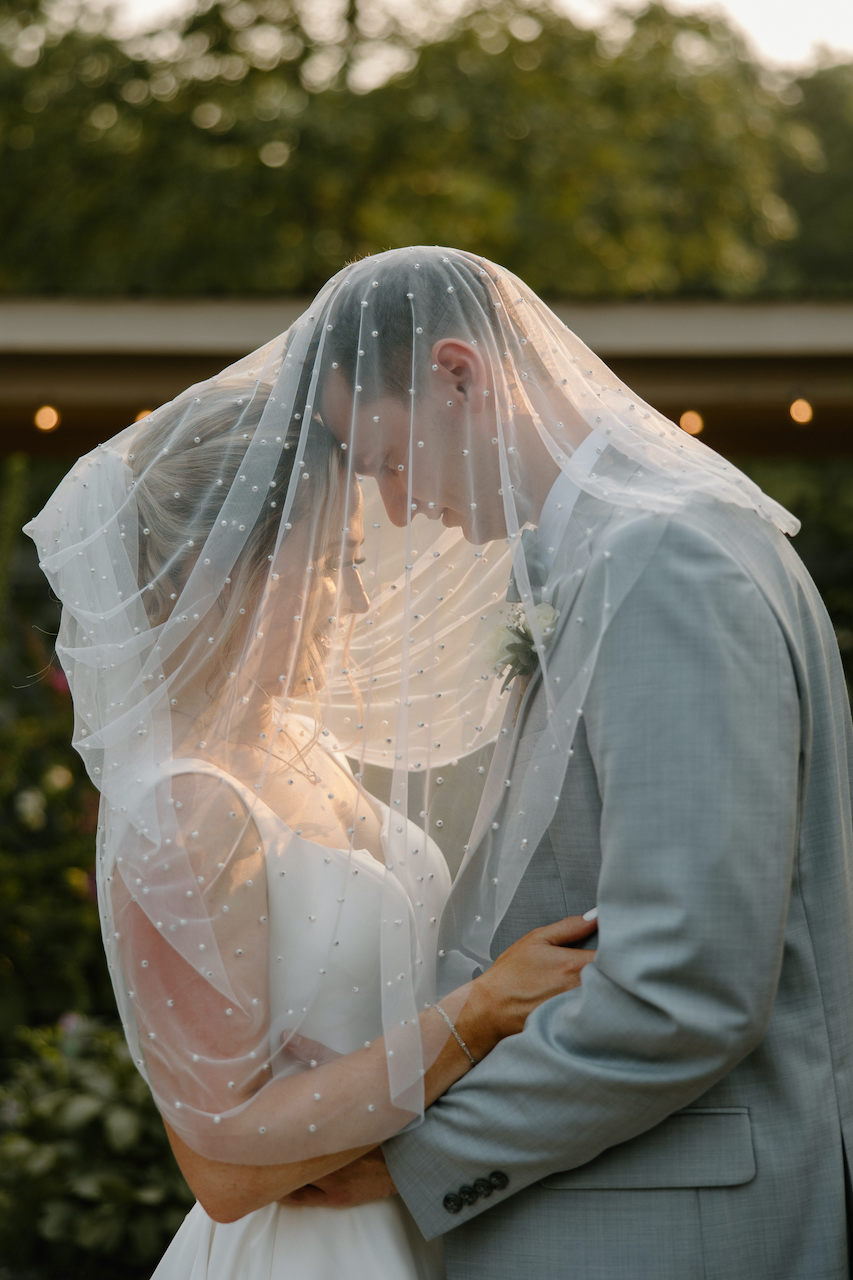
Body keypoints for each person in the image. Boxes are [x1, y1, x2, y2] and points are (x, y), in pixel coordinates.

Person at [296, 246, 851, 1279]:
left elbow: (681, 983)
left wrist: (416, 1151)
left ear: (462, 375)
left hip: (667, 1226)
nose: (399, 505)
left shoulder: (662, 560)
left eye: (386, 459)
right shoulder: (593, 555)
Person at [24, 363, 597, 1280]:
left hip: (419, 1223)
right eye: (334, 569)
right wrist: (480, 1013)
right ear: (220, 580)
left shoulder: (303, 749)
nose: (360, 605)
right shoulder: (186, 806)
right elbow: (222, 1166)